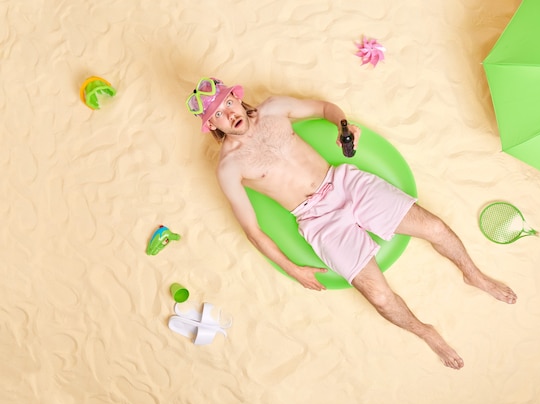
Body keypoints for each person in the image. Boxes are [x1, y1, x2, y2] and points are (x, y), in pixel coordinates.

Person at [186, 77, 517, 370]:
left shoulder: (274, 108)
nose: (229, 113)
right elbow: (253, 231)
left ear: (236, 98)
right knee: (379, 296)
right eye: (218, 114)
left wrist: (345, 126)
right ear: (212, 125)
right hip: (316, 219)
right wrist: (294, 269)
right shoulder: (229, 167)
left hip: (345, 183)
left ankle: (474, 275)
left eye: (228, 102)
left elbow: (326, 108)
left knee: (435, 228)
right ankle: (426, 333)